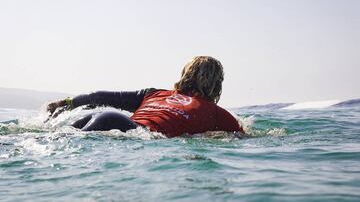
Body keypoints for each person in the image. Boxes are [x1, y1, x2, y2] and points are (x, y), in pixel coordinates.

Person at [47, 56, 244, 138]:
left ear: (184, 75)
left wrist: (66, 103)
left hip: (105, 118)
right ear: (217, 85)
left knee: (50, 139)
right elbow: (245, 137)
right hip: (124, 128)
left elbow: (99, 97)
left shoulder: (153, 94)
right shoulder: (216, 114)